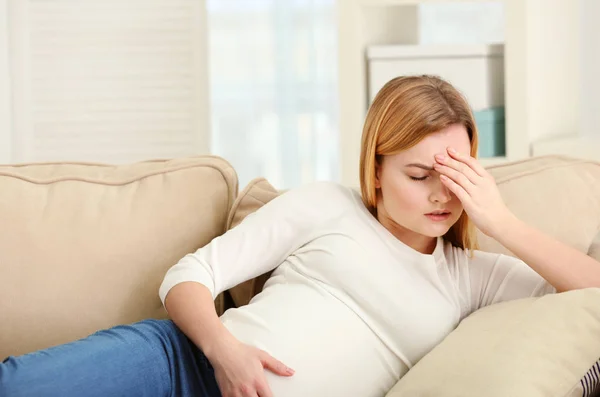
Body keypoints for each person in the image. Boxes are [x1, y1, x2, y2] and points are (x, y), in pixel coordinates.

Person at [2, 75, 599, 397]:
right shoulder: (327, 205)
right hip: (178, 365)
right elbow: (188, 277)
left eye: (457, 176)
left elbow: (594, 294)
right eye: (419, 176)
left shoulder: (472, 276)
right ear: (377, 171)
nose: (442, 195)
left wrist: (500, 221)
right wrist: (224, 351)